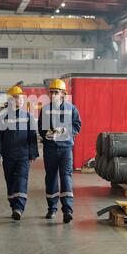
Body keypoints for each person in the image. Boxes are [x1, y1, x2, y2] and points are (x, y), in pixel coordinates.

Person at [38, 79, 81, 224]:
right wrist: (47, 134)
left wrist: (64, 130)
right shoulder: (45, 110)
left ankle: (67, 210)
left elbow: (77, 127)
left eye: (56, 92)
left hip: (65, 149)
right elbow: (41, 129)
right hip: (50, 149)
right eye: (51, 92)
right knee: (51, 177)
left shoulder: (72, 109)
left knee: (66, 177)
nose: (53, 95)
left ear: (63, 94)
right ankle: (52, 209)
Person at [0, 86, 39, 221]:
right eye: (17, 98)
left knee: (21, 180)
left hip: (23, 155)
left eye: (21, 98)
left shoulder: (28, 117)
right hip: (8, 156)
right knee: (10, 181)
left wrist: (32, 153)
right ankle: (14, 206)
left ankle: (19, 207)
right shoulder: (3, 117)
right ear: (10, 100)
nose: (20, 100)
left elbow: (32, 136)